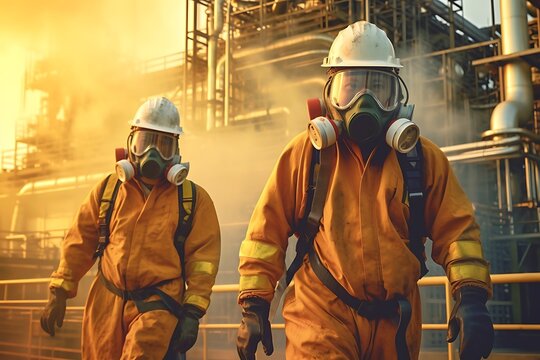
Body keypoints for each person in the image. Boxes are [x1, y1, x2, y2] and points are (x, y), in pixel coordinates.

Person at [236, 21, 494, 360]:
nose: (364, 102)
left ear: (397, 100)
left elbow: (458, 232)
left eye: (379, 89)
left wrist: (471, 296)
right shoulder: (307, 154)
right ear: (329, 97)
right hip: (320, 314)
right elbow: (265, 234)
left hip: (396, 323)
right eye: (351, 88)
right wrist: (254, 305)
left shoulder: (420, 159)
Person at [40, 96, 221, 359]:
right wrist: (58, 292)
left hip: (158, 305)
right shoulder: (109, 190)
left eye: (163, 145)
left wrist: (192, 312)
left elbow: (203, 261)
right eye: (146, 143)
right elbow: (79, 240)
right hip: (105, 302)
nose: (152, 155)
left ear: (176, 152)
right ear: (131, 144)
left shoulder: (192, 200)